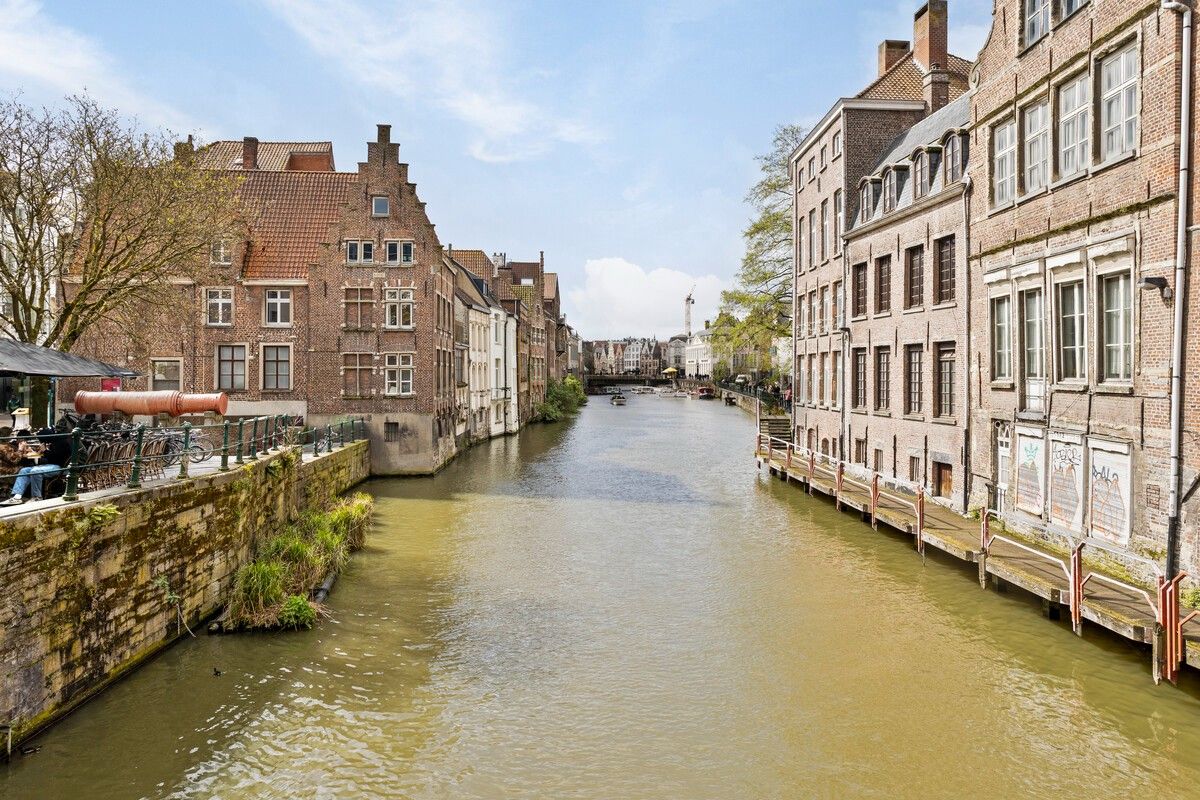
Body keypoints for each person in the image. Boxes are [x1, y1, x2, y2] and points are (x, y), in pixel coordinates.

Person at [1, 435, 59, 506]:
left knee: (35, 470)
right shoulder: (4, 447)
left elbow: (56, 459)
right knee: (24, 470)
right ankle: (17, 497)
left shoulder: (61, 443)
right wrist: (41, 452)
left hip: (58, 465)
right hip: (48, 464)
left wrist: (45, 451)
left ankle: (36, 497)